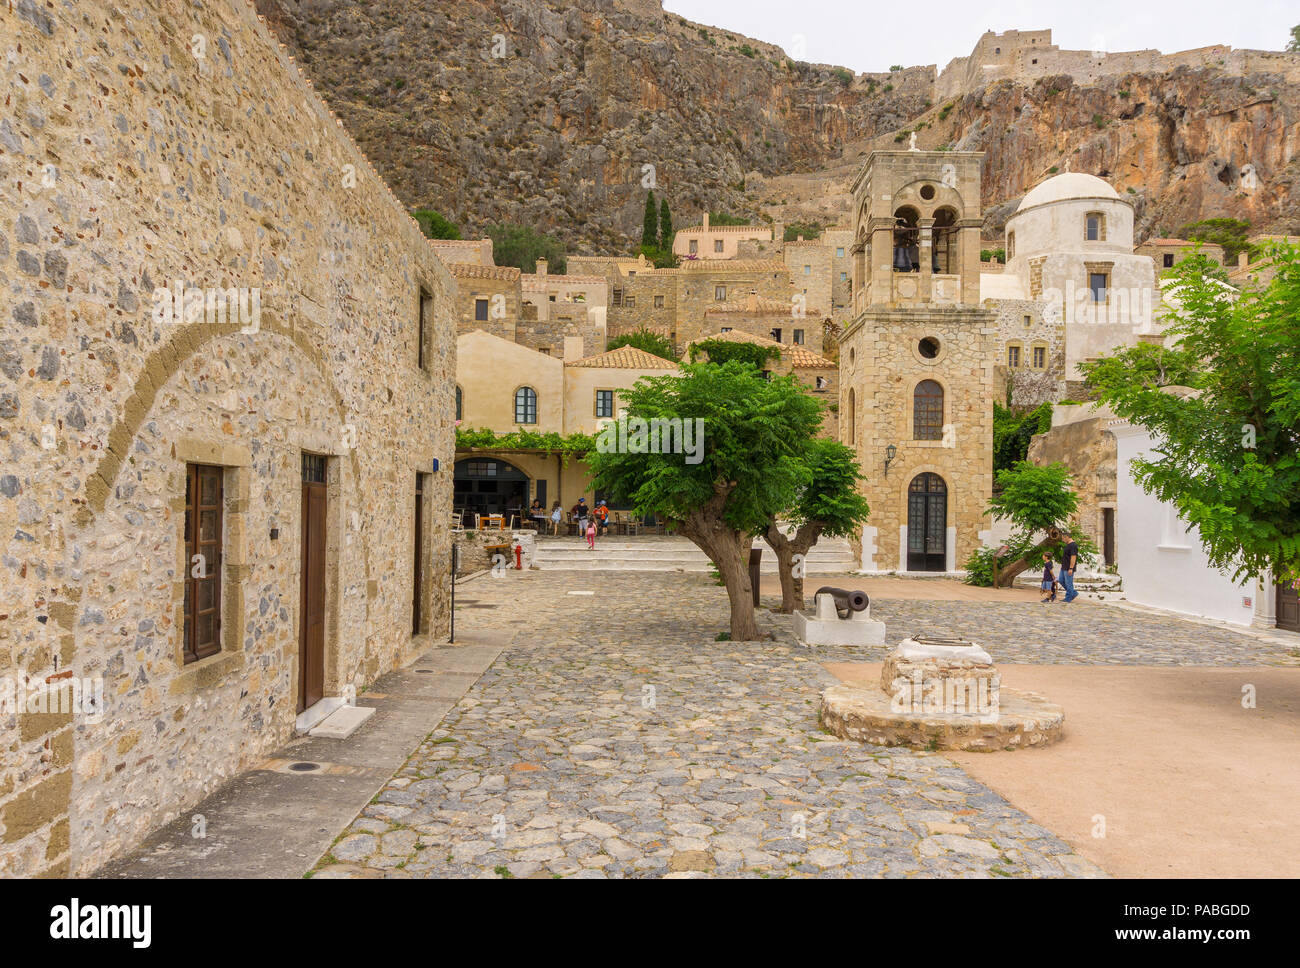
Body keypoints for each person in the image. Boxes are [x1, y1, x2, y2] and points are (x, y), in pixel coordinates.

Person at [1059, 534, 1079, 603]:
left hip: (1068, 568)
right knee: (1061, 580)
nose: (1062, 540)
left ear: (1066, 537)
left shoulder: (1073, 545)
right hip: (1064, 567)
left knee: (1069, 583)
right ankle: (1073, 593)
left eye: (1063, 538)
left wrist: (1071, 568)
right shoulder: (1068, 545)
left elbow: (1073, 557)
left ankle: (1068, 598)